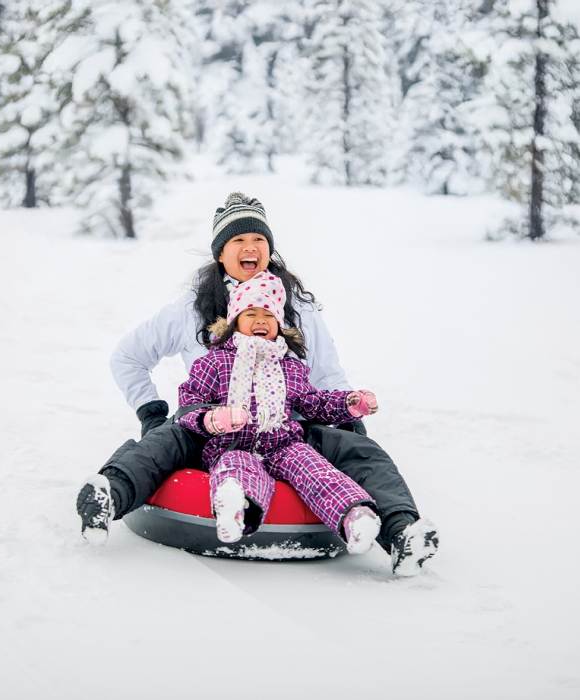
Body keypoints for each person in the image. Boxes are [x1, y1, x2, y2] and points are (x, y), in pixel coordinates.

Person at [77, 192, 439, 575]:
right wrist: (152, 413)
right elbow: (128, 357)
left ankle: (401, 534)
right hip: (210, 426)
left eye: (259, 241)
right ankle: (108, 499)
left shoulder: (296, 308)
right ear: (221, 253)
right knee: (160, 444)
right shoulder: (190, 309)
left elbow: (326, 374)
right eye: (239, 240)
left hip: (287, 428)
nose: (250, 248)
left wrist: (351, 426)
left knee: (362, 451)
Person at [177, 270, 382, 553]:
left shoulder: (290, 366)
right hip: (231, 443)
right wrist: (212, 418)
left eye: (268, 315)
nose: (260, 321)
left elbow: (313, 403)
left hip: (282, 444)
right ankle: (234, 509)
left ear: (278, 324)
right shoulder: (215, 362)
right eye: (251, 314)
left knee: (313, 467)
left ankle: (354, 517)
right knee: (237, 465)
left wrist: (349, 403)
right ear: (235, 322)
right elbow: (189, 402)